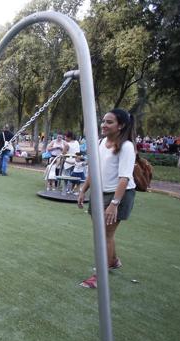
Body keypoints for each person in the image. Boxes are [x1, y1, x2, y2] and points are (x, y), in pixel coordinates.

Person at [77, 108, 137, 289]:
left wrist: (114, 204)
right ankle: (113, 261)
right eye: (103, 121)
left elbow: (124, 178)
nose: (104, 124)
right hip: (99, 193)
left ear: (121, 125)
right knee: (104, 233)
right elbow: (94, 170)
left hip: (118, 195)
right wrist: (83, 190)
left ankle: (99, 276)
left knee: (105, 235)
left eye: (109, 122)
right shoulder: (101, 142)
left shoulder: (126, 147)